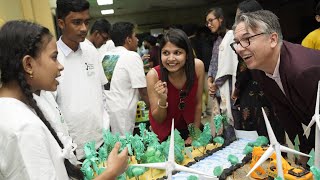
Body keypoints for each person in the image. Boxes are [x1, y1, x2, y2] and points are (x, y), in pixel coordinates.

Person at [0, 20, 128, 180]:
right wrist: (112, 172)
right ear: (28, 64)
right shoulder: (24, 128)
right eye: (54, 58)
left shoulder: (15, 109)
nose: (60, 66)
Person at [232, 10, 320, 161]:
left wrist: (310, 155)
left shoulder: (302, 71)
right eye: (237, 42)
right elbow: (284, 113)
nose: (239, 48)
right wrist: (302, 152)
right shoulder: (260, 69)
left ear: (272, 39)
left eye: (246, 39)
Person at [55, 0, 108, 159]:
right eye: (77, 22)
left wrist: (106, 125)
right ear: (61, 23)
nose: (84, 28)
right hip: (73, 148)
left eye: (86, 22)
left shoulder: (90, 49)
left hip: (101, 142)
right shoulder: (52, 56)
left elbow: (101, 92)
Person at [232, 0, 285, 142]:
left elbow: (243, 72)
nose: (239, 47)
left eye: (239, 16)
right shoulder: (258, 39)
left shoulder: (249, 45)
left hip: (254, 95)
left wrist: (237, 89)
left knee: (258, 131)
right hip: (269, 92)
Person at [146, 28, 205, 144]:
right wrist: (162, 99)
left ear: (187, 54)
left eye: (177, 52)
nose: (171, 59)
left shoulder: (197, 67)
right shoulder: (153, 75)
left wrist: (195, 134)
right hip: (164, 134)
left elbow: (198, 103)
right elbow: (159, 119)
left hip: (190, 127)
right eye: (166, 53)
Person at [102, 22, 149, 136]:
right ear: (128, 39)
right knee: (124, 147)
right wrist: (154, 109)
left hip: (107, 110)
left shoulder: (105, 56)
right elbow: (142, 90)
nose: (137, 40)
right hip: (123, 111)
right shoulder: (132, 56)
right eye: (135, 36)